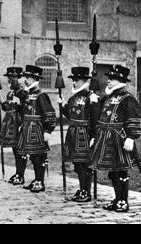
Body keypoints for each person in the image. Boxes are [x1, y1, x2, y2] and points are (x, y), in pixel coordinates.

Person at [91, 65, 141, 212]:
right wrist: (94, 103)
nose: (108, 81)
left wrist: (131, 137)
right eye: (109, 78)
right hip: (106, 139)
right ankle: (117, 198)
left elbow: (134, 118)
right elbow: (97, 117)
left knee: (121, 171)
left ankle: (123, 201)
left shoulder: (128, 99)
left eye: (112, 79)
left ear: (120, 81)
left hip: (120, 139)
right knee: (113, 172)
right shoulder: (107, 98)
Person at [58, 67, 99, 202]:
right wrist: (62, 106)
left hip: (84, 135)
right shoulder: (73, 98)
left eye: (77, 80)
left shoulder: (91, 97)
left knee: (85, 164)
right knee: (77, 164)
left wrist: (94, 136)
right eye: (73, 80)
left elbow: (95, 119)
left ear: (85, 81)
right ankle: (82, 189)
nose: (74, 83)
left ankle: (86, 192)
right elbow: (70, 115)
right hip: (73, 135)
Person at [17, 65, 56, 193]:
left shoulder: (41, 95)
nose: (25, 80)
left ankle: (40, 181)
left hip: (37, 130)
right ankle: (36, 179)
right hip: (28, 129)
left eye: (27, 78)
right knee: (33, 156)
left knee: (39, 156)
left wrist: (48, 131)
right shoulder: (28, 94)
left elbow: (49, 114)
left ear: (34, 79)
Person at [0, 67, 27, 185]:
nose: (9, 81)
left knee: (21, 150)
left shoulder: (23, 93)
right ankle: (17, 172)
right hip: (10, 124)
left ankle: (21, 174)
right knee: (15, 149)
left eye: (11, 78)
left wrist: (23, 123)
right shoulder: (10, 93)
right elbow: (8, 108)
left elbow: (26, 109)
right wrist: (1, 102)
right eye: (9, 78)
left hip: (18, 123)